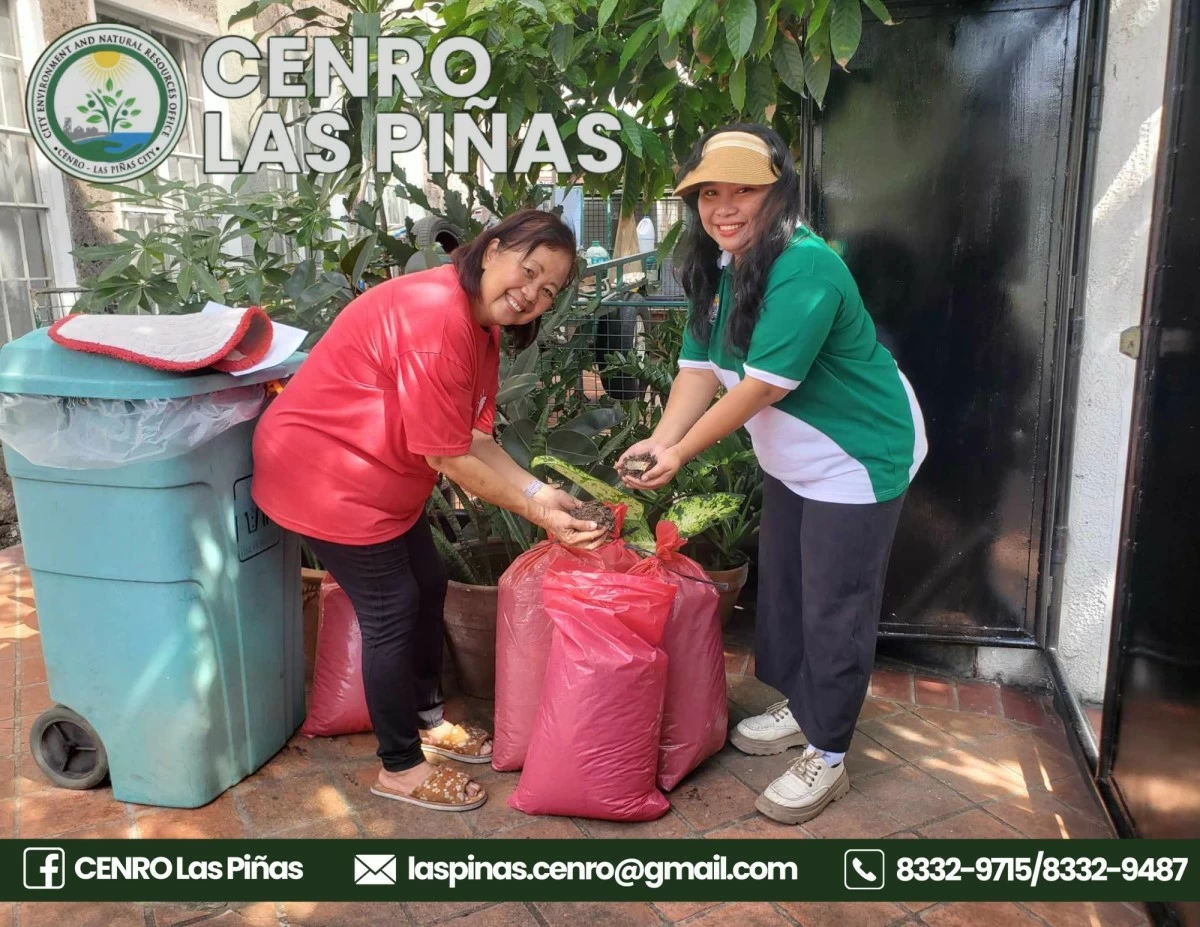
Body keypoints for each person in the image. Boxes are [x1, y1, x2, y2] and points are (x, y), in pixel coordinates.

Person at [618, 125, 927, 825]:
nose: (725, 208)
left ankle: (830, 750)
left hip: (856, 456)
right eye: (710, 194)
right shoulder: (721, 268)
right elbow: (698, 371)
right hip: (793, 459)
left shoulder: (806, 267)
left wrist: (681, 454)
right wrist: (658, 440)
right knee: (785, 587)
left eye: (745, 191)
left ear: (779, 193)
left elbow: (761, 388)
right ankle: (803, 704)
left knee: (834, 605)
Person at [253, 210, 608, 813]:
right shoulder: (436, 315)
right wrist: (541, 515)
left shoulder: (481, 327)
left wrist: (542, 495)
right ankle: (400, 767)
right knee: (392, 607)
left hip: (381, 481)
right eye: (528, 271)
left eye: (549, 290)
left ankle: (425, 717)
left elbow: (474, 437)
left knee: (428, 581)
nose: (532, 294)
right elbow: (448, 457)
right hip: (326, 477)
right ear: (491, 251)